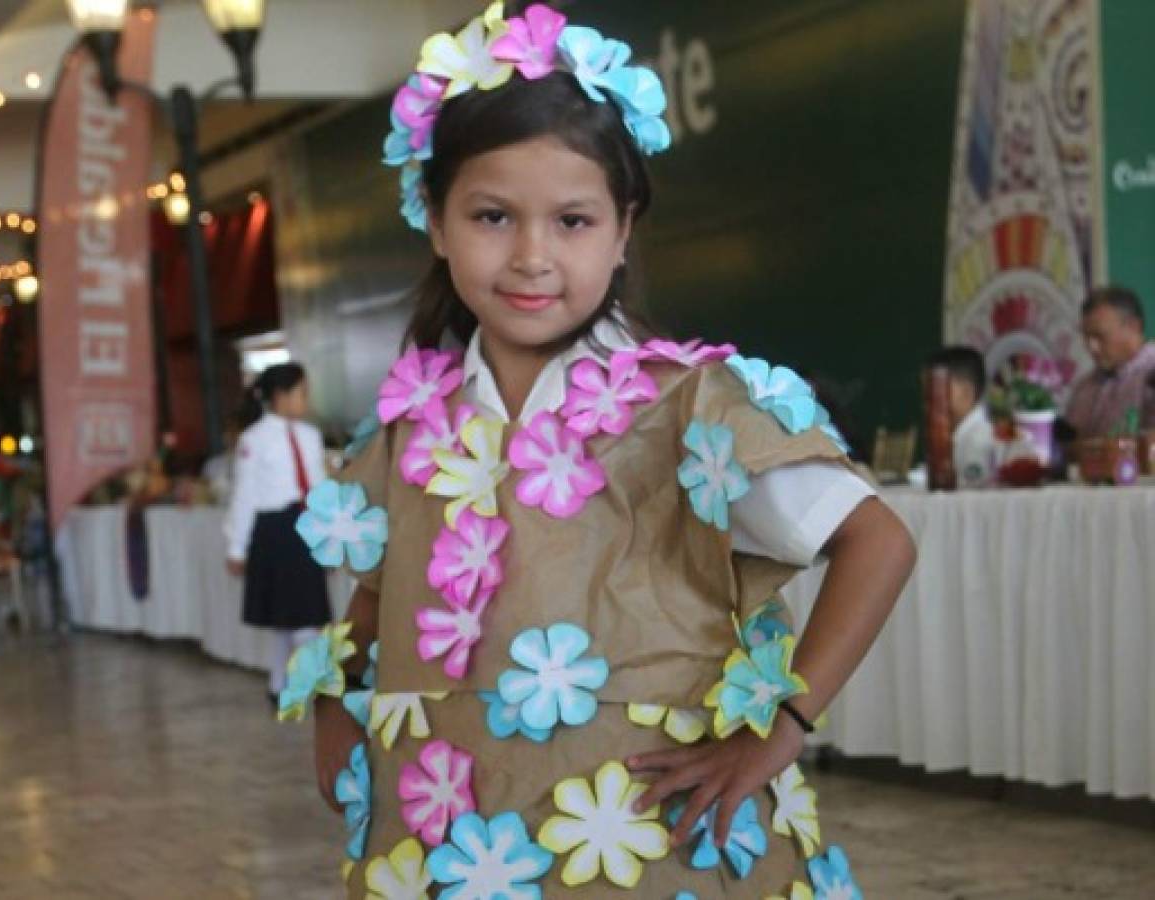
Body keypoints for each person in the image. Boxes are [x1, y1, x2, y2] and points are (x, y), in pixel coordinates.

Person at [302, 5, 915, 896]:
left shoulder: (691, 409)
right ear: (434, 220)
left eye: (574, 221)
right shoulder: (411, 422)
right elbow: (384, 579)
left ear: (623, 230)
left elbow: (879, 543)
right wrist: (337, 693)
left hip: (650, 843)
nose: (531, 256)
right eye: (491, 216)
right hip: (447, 838)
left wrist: (781, 724)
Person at [225, 362, 331, 706]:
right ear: (280, 396)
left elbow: (319, 486)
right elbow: (245, 495)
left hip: (307, 525)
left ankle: (279, 686)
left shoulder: (311, 437)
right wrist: (237, 546)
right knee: (297, 616)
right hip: (276, 530)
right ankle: (313, 687)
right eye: (302, 393)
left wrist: (328, 534)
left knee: (298, 614)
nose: (306, 400)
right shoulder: (254, 440)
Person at [1065, 286, 1155, 437]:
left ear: (1133, 327)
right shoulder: (1085, 386)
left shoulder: (1151, 376)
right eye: (1086, 337)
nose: (1092, 347)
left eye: (1100, 336)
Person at [926, 346, 995, 488]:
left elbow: (968, 497)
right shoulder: (953, 436)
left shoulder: (979, 440)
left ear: (966, 392)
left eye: (935, 389)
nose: (928, 399)